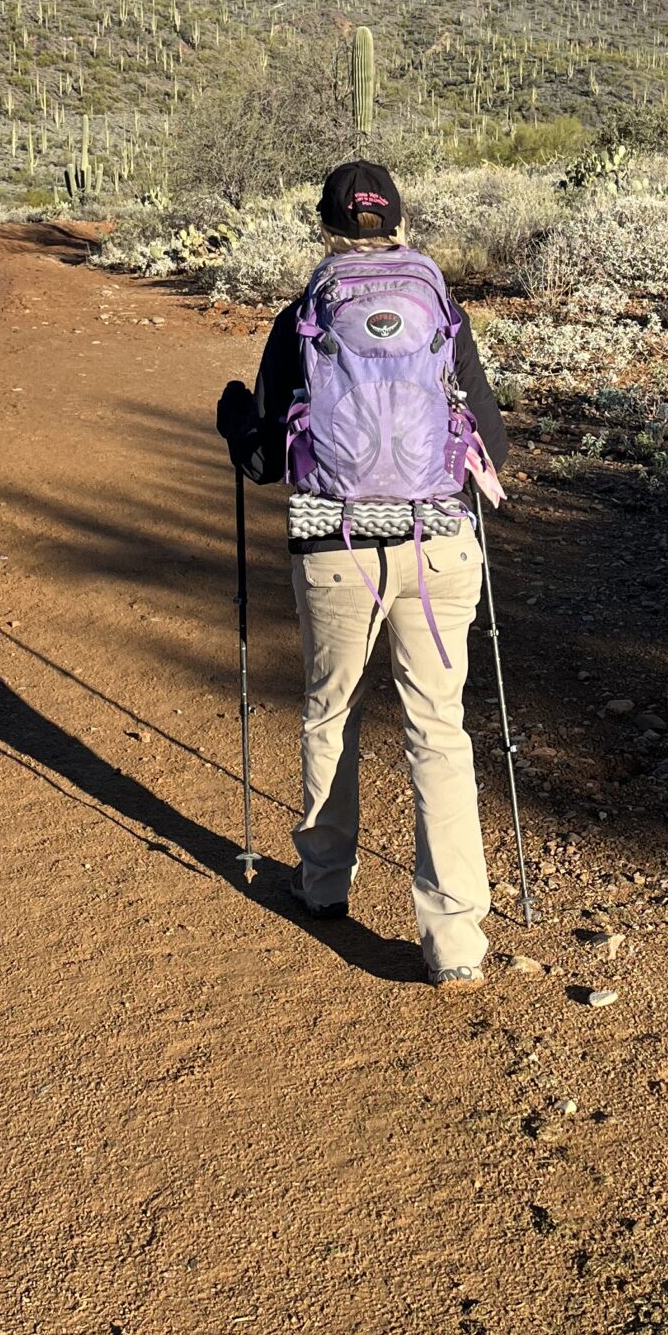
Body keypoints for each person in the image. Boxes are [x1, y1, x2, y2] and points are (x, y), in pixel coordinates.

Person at [216, 160, 510, 991]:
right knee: (439, 734)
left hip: (335, 549)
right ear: (401, 225)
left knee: (330, 710)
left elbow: (268, 458)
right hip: (439, 545)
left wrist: (236, 413)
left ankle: (321, 885)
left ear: (324, 227)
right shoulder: (443, 313)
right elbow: (492, 443)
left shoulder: (304, 314)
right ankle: (454, 939)